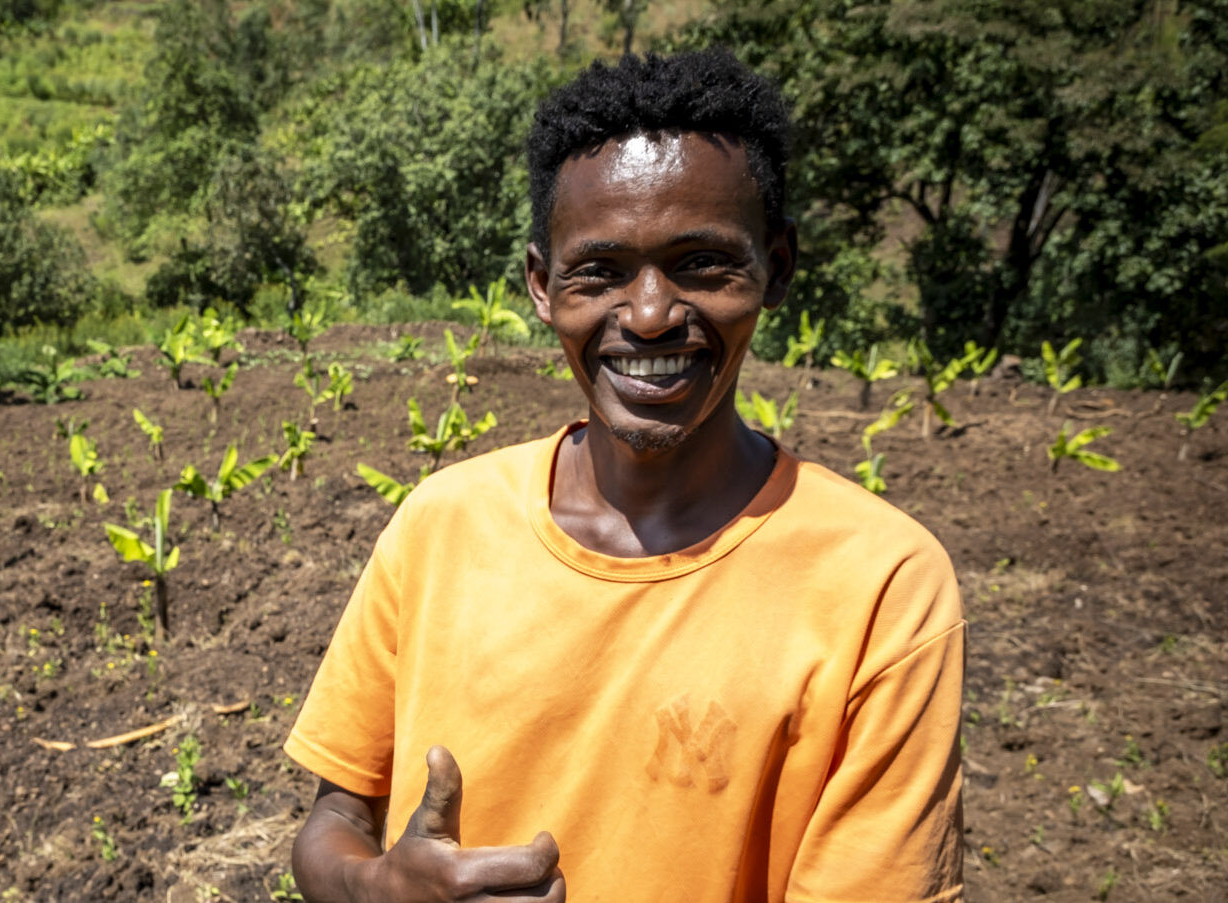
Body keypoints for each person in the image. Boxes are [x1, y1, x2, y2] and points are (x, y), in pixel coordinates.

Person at [284, 49, 965, 903]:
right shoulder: (441, 525)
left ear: (777, 268)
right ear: (543, 285)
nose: (649, 315)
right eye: (600, 271)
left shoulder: (879, 586)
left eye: (701, 263)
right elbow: (332, 825)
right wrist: (377, 887)